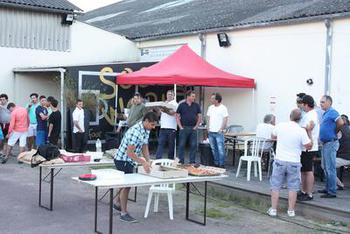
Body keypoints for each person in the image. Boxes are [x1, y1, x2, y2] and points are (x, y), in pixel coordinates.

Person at [113, 112, 157, 223]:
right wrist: (143, 162)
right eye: (152, 124)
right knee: (127, 185)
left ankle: (117, 203)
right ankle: (123, 213)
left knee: (125, 183)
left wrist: (148, 160)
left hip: (129, 160)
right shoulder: (135, 132)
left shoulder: (146, 130)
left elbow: (144, 145)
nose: (154, 127)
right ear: (145, 121)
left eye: (154, 124)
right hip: (122, 160)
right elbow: (130, 153)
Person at [268, 109, 312, 217]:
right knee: (293, 187)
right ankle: (291, 211)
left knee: (276, 185)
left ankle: (273, 209)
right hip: (294, 161)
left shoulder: (281, 126)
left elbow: (272, 136)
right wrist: (309, 131)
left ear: (290, 116)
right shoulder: (301, 130)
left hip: (280, 160)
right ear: (300, 119)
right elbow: (309, 146)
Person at [318, 95, 344, 198]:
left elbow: (341, 122)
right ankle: (328, 188)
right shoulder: (325, 113)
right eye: (320, 102)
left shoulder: (333, 112)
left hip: (330, 142)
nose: (321, 104)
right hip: (325, 143)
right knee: (325, 167)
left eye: (323, 102)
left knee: (330, 168)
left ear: (329, 102)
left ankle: (332, 191)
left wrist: (334, 132)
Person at [297, 95, 320, 201]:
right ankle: (303, 190)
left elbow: (308, 128)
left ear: (306, 104)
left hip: (309, 146)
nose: (301, 106)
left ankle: (309, 193)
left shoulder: (311, 115)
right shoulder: (309, 114)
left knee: (308, 170)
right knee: (303, 170)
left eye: (302, 104)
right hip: (306, 146)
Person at [176, 90, 202, 164]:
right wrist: (180, 127)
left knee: (193, 146)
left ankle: (192, 162)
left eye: (194, 96)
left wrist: (196, 126)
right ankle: (181, 161)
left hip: (193, 128)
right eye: (193, 96)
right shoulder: (181, 105)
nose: (194, 97)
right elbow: (177, 116)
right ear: (188, 96)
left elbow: (199, 117)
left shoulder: (196, 105)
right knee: (181, 145)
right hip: (183, 128)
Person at [207, 93, 228, 168]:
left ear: (217, 100)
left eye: (212, 98)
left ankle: (221, 164)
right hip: (211, 131)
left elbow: (225, 119)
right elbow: (209, 118)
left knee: (220, 149)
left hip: (219, 132)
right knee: (213, 148)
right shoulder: (210, 107)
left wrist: (221, 129)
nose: (211, 100)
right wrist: (208, 127)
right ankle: (216, 163)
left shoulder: (223, 108)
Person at [155, 90, 178, 159]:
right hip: (163, 126)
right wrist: (157, 110)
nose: (169, 96)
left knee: (171, 145)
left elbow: (172, 113)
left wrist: (164, 110)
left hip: (171, 127)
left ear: (174, 96)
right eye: (168, 94)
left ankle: (170, 159)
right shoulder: (164, 103)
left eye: (171, 94)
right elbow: (159, 114)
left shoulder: (175, 104)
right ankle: (158, 159)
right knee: (160, 143)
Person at [335, 114, 350, 189]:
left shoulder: (339, 132)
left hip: (345, 157)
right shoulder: (347, 129)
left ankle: (339, 184)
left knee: (326, 166)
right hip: (345, 156)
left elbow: (336, 147)